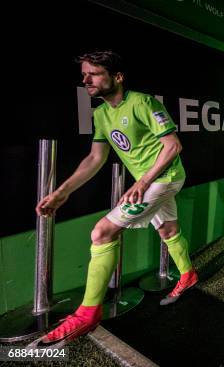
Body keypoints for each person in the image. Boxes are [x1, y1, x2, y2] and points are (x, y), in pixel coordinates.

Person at [33, 51, 197, 347]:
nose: (85, 80)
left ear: (117, 77)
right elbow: (95, 158)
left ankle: (87, 313)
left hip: (163, 179)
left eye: (93, 74)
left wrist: (143, 182)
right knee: (168, 230)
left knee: (102, 232)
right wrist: (63, 191)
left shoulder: (144, 102)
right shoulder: (101, 114)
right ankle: (188, 275)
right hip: (150, 183)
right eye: (83, 75)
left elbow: (173, 146)